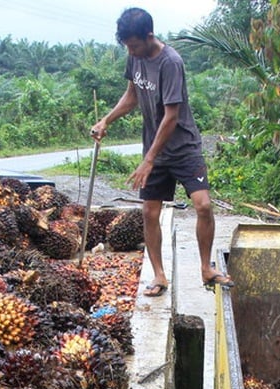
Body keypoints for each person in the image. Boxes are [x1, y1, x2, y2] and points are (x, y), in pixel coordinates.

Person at [90, 7, 233, 298]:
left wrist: (149, 159)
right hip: (154, 149)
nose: (131, 51)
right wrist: (107, 119)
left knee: (203, 205)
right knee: (149, 211)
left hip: (183, 147)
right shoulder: (135, 57)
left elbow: (170, 117)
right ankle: (158, 275)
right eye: (127, 46)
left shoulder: (171, 62)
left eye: (134, 45)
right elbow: (132, 95)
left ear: (149, 36)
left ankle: (206, 268)